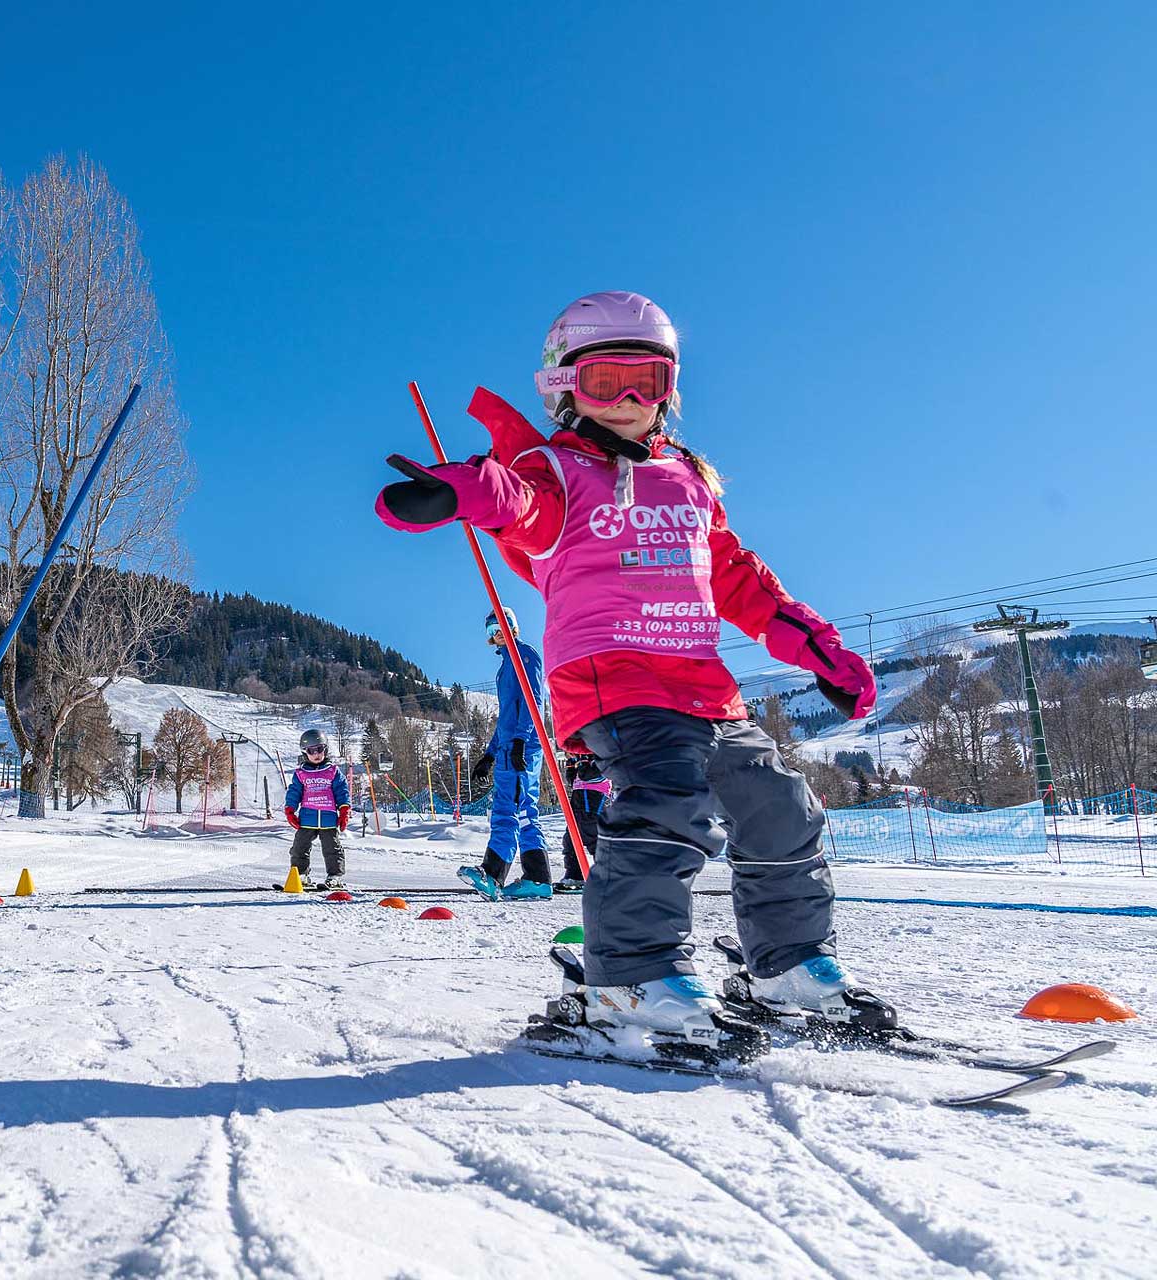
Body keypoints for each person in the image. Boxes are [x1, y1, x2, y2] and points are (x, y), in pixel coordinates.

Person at [374, 290, 880, 1043]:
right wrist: (469, 488)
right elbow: (522, 505)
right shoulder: (558, 470)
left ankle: (788, 964)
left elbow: (739, 578)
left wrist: (819, 650)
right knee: (669, 801)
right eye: (610, 383)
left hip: (705, 688)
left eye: (652, 381)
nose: (633, 400)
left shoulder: (689, 482)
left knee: (782, 806)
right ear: (565, 387)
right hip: (614, 679)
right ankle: (632, 976)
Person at [458, 608, 553, 901]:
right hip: (508, 745)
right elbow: (506, 718)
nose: (497, 633)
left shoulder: (525, 655)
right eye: (491, 630)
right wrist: (489, 755)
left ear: (513, 626)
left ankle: (498, 874)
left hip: (522, 746)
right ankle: (532, 877)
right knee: (510, 809)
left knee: (517, 809)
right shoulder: (505, 667)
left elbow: (533, 701)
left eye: (501, 626)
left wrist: (522, 741)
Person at [284, 728, 350, 889]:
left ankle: (335, 876)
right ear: (305, 752)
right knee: (299, 847)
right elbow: (294, 792)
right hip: (307, 818)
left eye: (319, 749)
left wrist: (344, 810)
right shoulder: (301, 773)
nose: (316, 754)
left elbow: (342, 791)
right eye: (311, 751)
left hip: (328, 818)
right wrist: (290, 810)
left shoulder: (333, 771)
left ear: (325, 749)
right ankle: (300, 874)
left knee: (332, 848)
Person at [556, 753, 609, 893]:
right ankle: (575, 875)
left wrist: (582, 759)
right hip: (578, 806)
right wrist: (571, 763)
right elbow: (572, 780)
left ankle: (608, 876)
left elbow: (587, 774)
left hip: (592, 808)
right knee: (570, 842)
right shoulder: (582, 759)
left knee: (595, 841)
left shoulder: (602, 759)